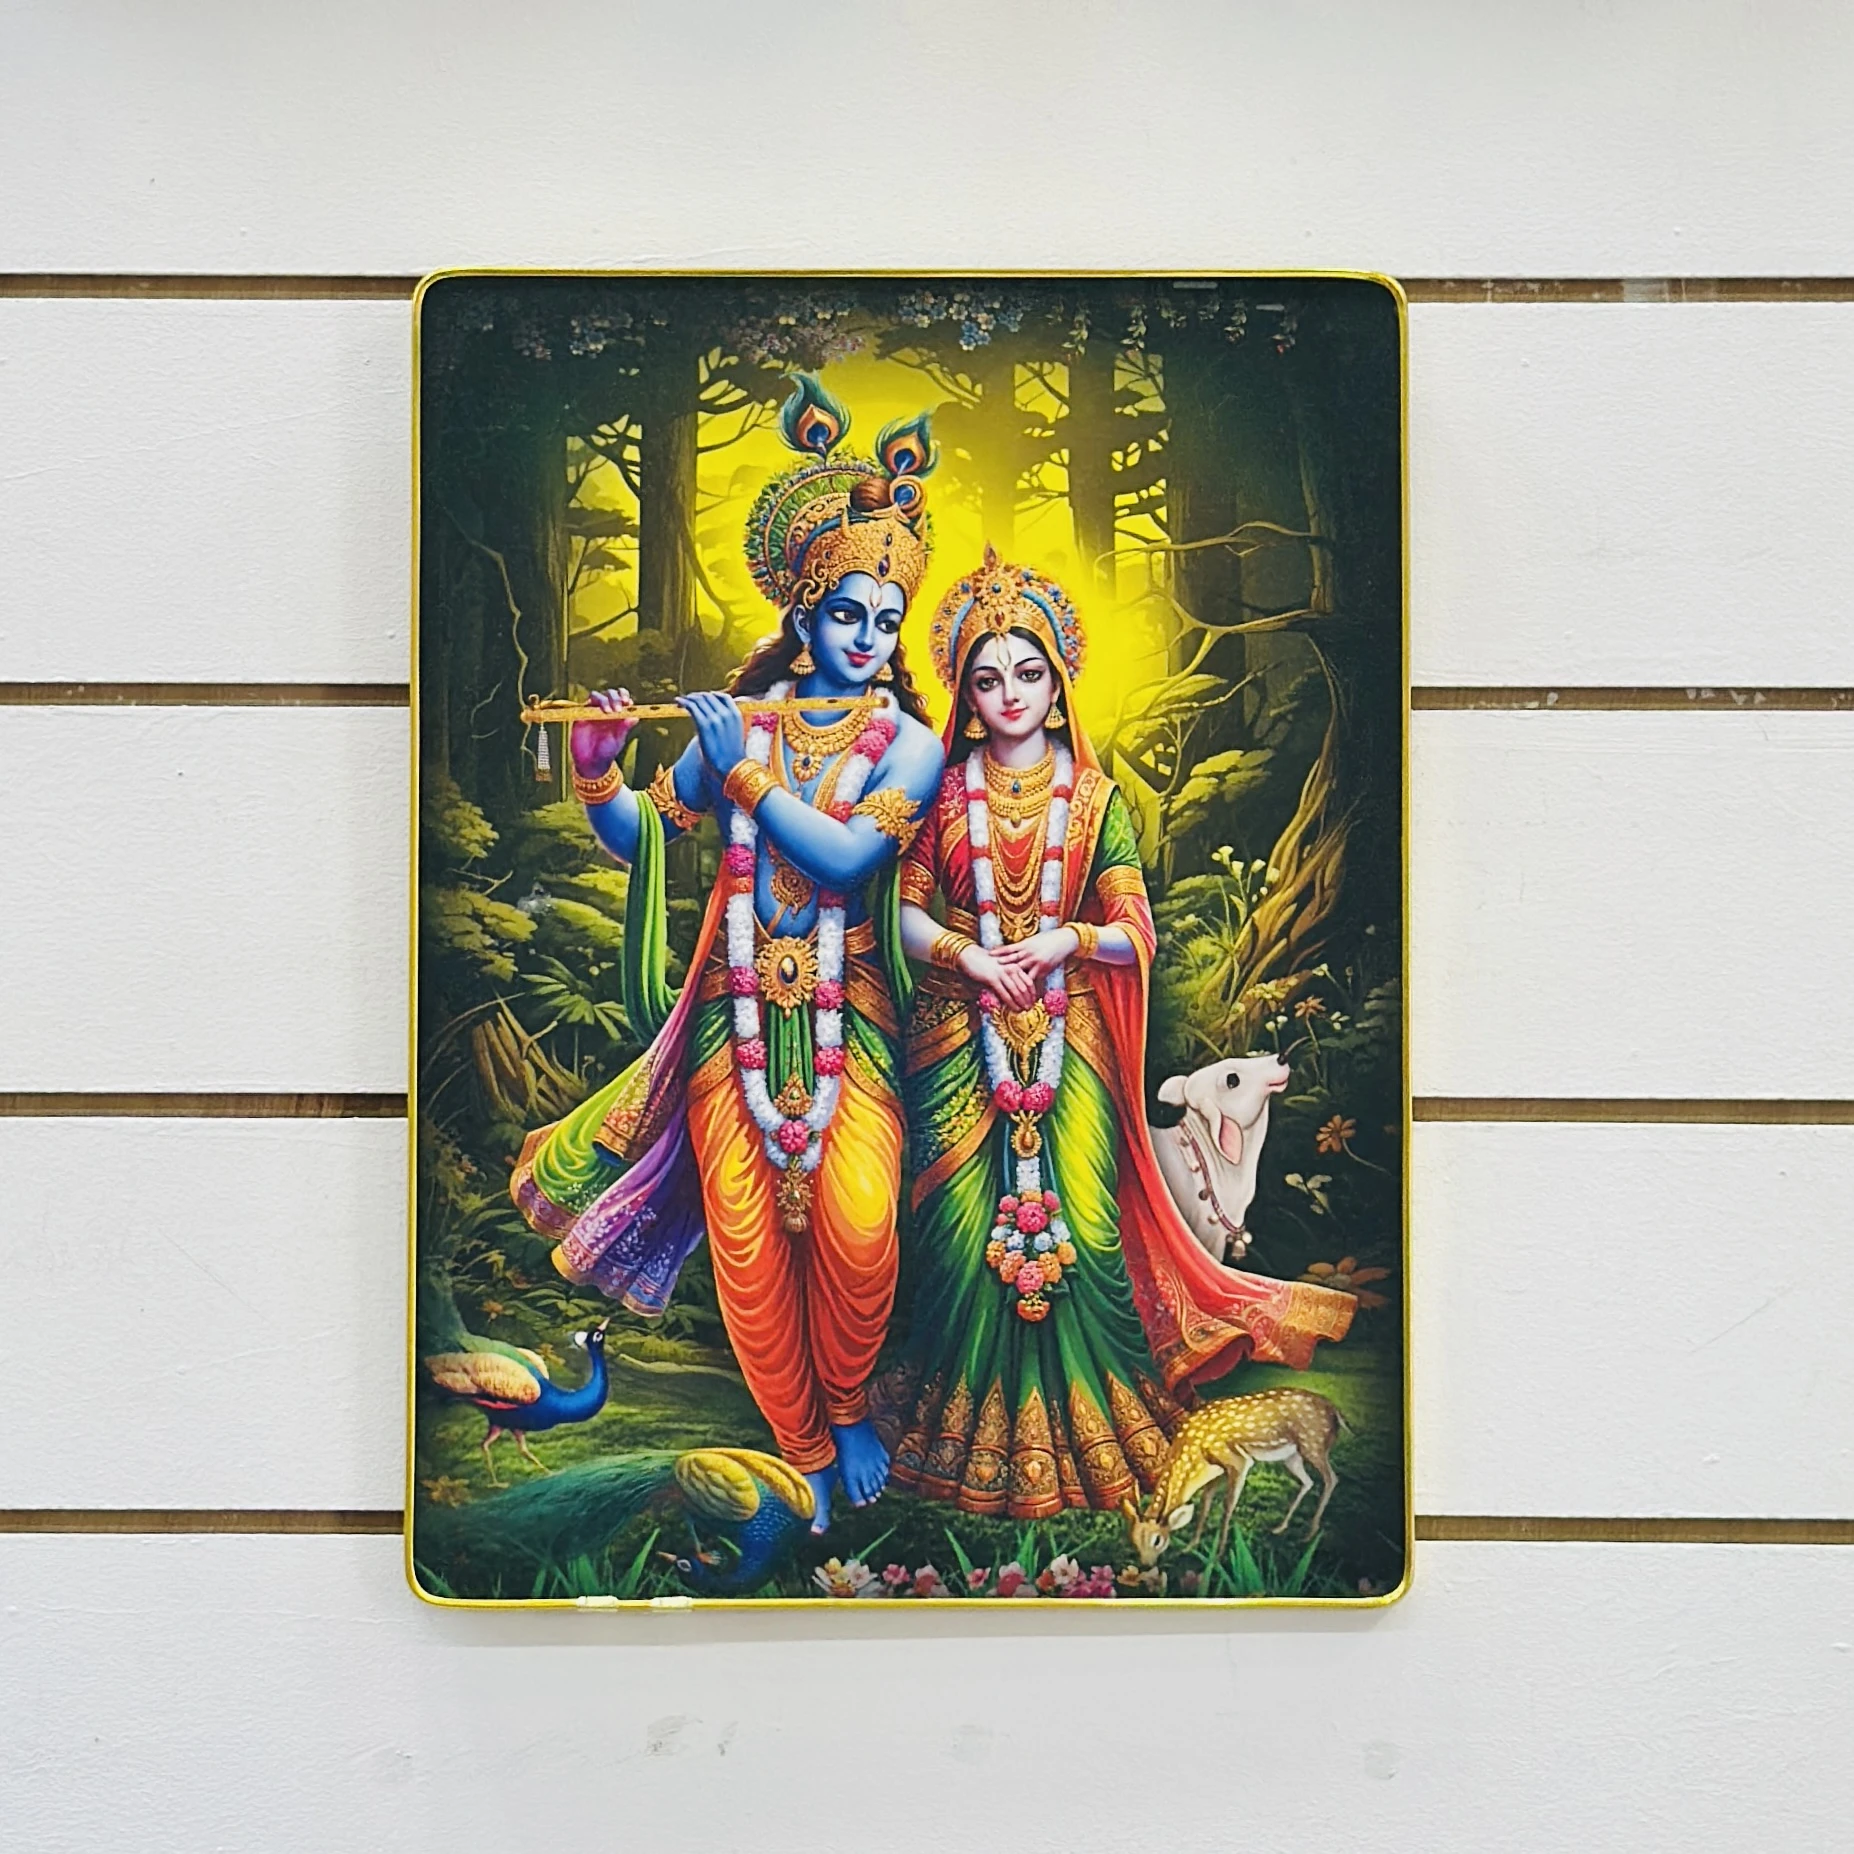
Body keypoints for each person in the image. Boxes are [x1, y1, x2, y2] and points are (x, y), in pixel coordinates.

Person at [511, 376, 944, 1530]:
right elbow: (643, 839)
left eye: (885, 619)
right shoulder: (737, 727)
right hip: (731, 1022)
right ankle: (802, 1448)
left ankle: (847, 1407)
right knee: (748, 1250)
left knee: (859, 1227)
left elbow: (846, 862)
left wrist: (745, 772)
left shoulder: (909, 744)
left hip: (852, 1018)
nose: (867, 638)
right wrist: (598, 769)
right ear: (803, 617)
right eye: (846, 615)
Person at [877, 548, 1354, 1520]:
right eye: (987, 679)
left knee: (1084, 1229)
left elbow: (1134, 931)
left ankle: (1095, 1422)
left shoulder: (1096, 802)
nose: (1010, 694)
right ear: (966, 696)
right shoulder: (942, 793)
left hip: (1074, 1046)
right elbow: (905, 913)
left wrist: (1067, 939)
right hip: (958, 1042)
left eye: (1028, 672)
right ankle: (959, 1426)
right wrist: (971, 958)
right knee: (961, 1237)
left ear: (1058, 686)